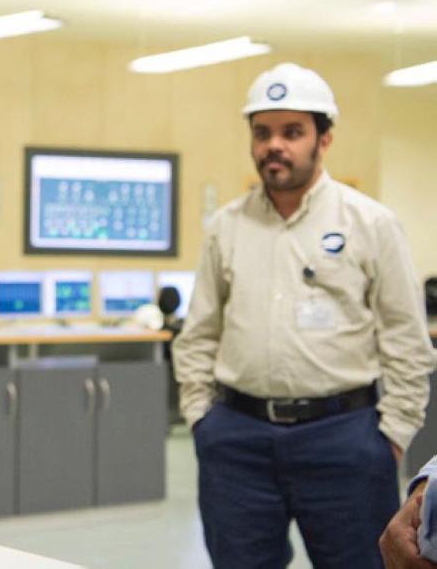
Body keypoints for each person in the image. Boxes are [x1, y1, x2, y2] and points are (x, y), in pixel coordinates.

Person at [172, 62, 436, 569]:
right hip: (236, 441)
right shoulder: (225, 227)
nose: (275, 145)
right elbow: (198, 334)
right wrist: (201, 419)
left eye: (292, 132)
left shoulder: (371, 223)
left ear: (324, 137)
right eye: (263, 132)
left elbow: (406, 338)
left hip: (345, 440)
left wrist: (392, 437)